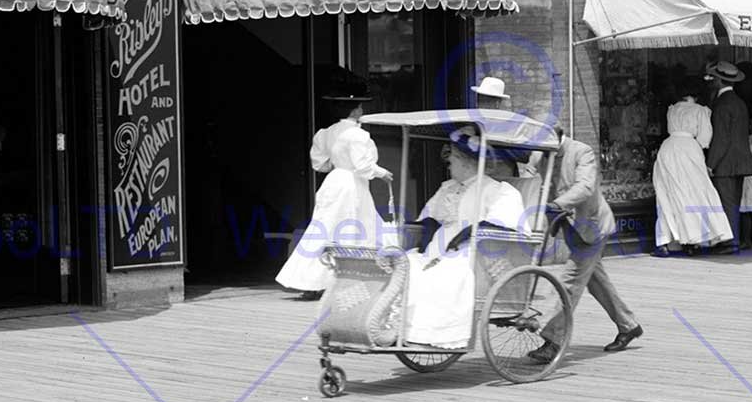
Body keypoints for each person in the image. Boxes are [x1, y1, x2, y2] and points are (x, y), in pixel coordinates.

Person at [521, 124, 645, 358]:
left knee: (570, 281)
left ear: (558, 138)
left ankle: (553, 341)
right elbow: (528, 173)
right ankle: (629, 326)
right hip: (570, 228)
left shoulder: (582, 152)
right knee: (595, 280)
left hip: (592, 227)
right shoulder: (542, 152)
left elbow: (585, 187)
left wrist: (557, 204)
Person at [398, 128, 525, 347]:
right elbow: (430, 217)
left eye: (453, 158)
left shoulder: (499, 191)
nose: (448, 162)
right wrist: (420, 243)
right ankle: (409, 332)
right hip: (438, 249)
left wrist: (464, 235)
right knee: (408, 266)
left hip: (474, 253)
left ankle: (437, 334)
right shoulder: (447, 188)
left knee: (444, 275)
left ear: (467, 162)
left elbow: (502, 223)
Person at [274, 69, 390, 294]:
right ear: (356, 109)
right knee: (353, 227)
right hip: (351, 184)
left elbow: (320, 164)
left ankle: (312, 282)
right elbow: (363, 166)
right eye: (360, 106)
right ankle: (346, 279)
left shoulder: (326, 133)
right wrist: (381, 172)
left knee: (325, 228)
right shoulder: (358, 135)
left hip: (333, 182)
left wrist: (337, 163)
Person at [651, 84, 733, 252]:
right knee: (695, 193)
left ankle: (666, 240)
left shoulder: (672, 109)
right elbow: (704, 139)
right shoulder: (700, 110)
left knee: (668, 193)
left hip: (668, 149)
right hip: (689, 149)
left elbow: (669, 129)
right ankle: (694, 239)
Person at [702, 61, 752, 252]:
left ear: (719, 80)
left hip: (725, 162)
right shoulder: (739, 102)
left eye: (713, 78)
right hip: (741, 161)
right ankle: (733, 238)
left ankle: (731, 241)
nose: (711, 81)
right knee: (734, 202)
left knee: (726, 201)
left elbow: (721, 139)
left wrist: (711, 163)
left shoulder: (721, 104)